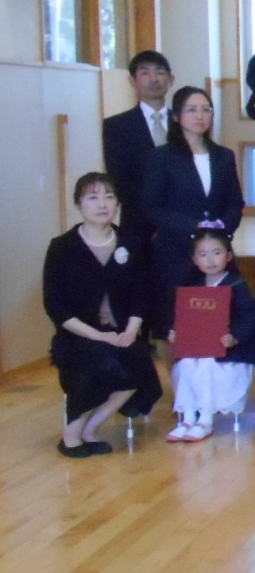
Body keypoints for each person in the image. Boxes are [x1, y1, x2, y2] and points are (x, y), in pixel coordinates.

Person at [43, 173, 163, 457]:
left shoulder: (130, 243)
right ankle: (71, 436)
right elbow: (54, 305)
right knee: (97, 361)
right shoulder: (62, 247)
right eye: (93, 197)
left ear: (118, 204)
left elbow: (141, 293)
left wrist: (131, 331)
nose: (102, 204)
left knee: (137, 362)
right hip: (78, 335)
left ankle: (90, 429)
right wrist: (97, 335)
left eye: (109, 197)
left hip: (120, 332)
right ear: (79, 203)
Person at [142, 85, 245, 334]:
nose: (200, 116)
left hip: (217, 253)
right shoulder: (161, 157)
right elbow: (151, 207)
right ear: (177, 116)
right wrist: (194, 227)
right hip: (176, 252)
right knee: (175, 327)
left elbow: (235, 202)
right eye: (191, 110)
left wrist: (223, 228)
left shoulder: (224, 156)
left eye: (206, 109)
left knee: (219, 324)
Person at [164, 228, 255, 442]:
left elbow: (248, 319)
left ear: (228, 256)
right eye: (203, 254)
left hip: (230, 354)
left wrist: (234, 337)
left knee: (206, 366)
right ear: (194, 259)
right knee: (185, 365)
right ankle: (187, 418)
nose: (210, 260)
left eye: (217, 253)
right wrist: (176, 332)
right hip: (199, 350)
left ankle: (205, 419)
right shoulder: (193, 288)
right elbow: (183, 318)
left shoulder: (236, 285)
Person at [101, 49, 174, 258]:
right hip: (138, 225)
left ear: (171, 79)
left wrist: (175, 221)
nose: (153, 79)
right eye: (144, 73)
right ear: (132, 81)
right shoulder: (116, 126)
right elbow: (119, 179)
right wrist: (157, 220)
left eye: (159, 72)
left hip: (183, 224)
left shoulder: (186, 122)